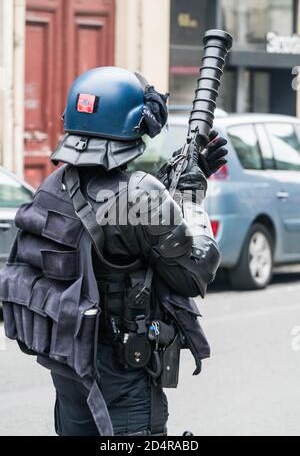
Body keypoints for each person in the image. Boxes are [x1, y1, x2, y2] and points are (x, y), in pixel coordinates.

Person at [0, 67, 228, 436]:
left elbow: (118, 225)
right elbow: (195, 271)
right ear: (132, 127)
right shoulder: (141, 194)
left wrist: (178, 180)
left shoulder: (52, 188)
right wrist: (191, 200)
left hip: (72, 369)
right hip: (124, 382)